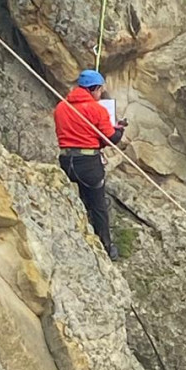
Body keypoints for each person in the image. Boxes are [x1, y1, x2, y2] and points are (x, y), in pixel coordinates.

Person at [54, 69, 127, 260]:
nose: (101, 93)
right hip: (88, 164)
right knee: (98, 206)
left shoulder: (61, 107)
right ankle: (106, 247)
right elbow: (110, 139)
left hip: (66, 161)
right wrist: (119, 129)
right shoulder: (97, 110)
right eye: (100, 90)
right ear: (93, 89)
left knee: (77, 200)